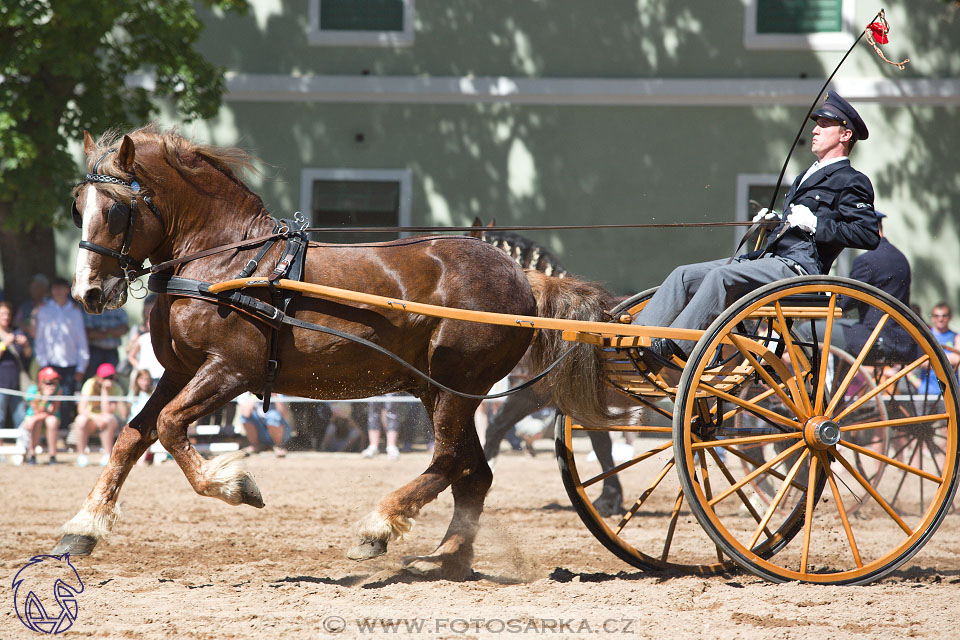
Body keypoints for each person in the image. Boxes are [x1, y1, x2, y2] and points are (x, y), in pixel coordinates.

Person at [632, 92, 881, 372]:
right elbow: (797, 224)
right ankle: (638, 340)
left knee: (720, 277)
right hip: (771, 261)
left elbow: (867, 234)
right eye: (817, 123)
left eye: (824, 125)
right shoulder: (807, 175)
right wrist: (777, 221)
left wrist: (816, 225)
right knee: (683, 275)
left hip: (800, 269)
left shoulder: (852, 180)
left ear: (845, 134)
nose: (815, 129)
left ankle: (674, 350)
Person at [33, 276, 88, 428]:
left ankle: (63, 430)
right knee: (47, 399)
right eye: (55, 288)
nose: (58, 291)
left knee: (66, 400)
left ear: (67, 290)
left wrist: (81, 366)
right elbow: (40, 339)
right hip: (50, 364)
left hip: (70, 363)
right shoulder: (44, 310)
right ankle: (49, 432)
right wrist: (43, 364)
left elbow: (81, 340)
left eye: (61, 288)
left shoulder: (74, 312)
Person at [73, 362, 126, 467]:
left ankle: (107, 454)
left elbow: (109, 412)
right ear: (98, 378)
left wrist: (105, 391)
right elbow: (81, 408)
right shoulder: (89, 384)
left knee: (107, 419)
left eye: (111, 377)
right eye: (106, 377)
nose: (109, 380)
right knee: (80, 420)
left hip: (111, 422)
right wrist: (95, 417)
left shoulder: (116, 388)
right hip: (93, 420)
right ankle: (82, 455)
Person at [19, 367, 62, 464]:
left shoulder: (58, 389)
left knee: (52, 421)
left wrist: (36, 418)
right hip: (33, 418)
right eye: (49, 382)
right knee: (36, 423)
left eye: (54, 382)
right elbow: (37, 411)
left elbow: (53, 410)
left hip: (44, 417)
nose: (52, 385)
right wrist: (46, 398)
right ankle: (32, 454)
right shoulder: (33, 389)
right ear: (41, 382)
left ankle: (52, 456)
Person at [0, 301, 31, 428]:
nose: (5, 317)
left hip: (16, 384)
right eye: (2, 314)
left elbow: (28, 355)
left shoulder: (16, 331)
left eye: (7, 314)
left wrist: (26, 345)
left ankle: (23, 445)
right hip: (1, 385)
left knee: (21, 417)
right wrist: (4, 344)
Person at [918, 302, 960, 395]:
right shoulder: (925, 337)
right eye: (937, 316)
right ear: (932, 318)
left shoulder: (956, 336)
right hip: (926, 391)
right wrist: (949, 358)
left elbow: (957, 359)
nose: (940, 319)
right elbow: (922, 362)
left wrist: (932, 359)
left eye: (944, 315)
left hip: (951, 393)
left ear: (950, 317)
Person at [236, 392, 290, 457]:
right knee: (244, 417)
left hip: (280, 432)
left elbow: (284, 415)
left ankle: (278, 446)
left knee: (273, 416)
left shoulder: (278, 392)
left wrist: (275, 396)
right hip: (260, 431)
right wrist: (255, 394)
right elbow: (246, 413)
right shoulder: (245, 393)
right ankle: (255, 445)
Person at [83, 305, 129, 381]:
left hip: (112, 352)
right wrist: (113, 332)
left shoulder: (120, 311)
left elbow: (124, 330)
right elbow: (90, 333)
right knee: (92, 379)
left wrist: (102, 331)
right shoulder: (92, 310)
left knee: (111, 380)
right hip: (95, 351)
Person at [14, 273, 50, 340]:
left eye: (36, 287)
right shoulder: (25, 306)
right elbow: (16, 322)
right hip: (29, 344)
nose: (32, 290)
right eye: (31, 287)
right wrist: (28, 327)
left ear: (44, 289)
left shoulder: (51, 305)